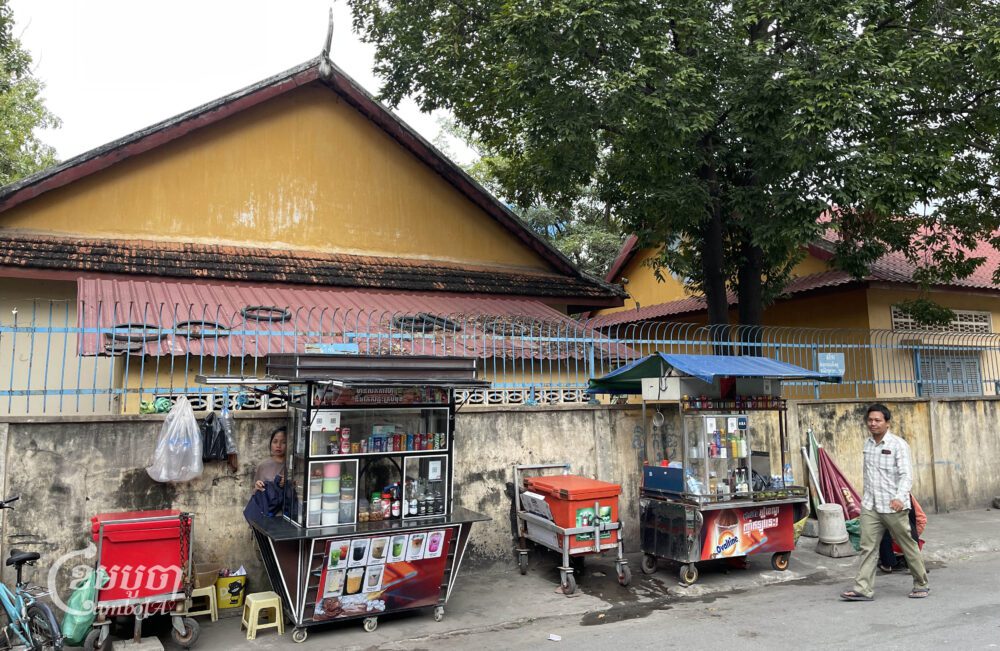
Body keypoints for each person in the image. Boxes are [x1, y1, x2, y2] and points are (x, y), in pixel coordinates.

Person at [841, 404, 930, 600]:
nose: (873, 424)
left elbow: (906, 475)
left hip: (893, 506)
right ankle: (863, 589)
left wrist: (900, 497)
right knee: (868, 547)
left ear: (887, 423)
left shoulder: (898, 445)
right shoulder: (868, 444)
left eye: (878, 420)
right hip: (871, 505)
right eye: (870, 420)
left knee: (908, 545)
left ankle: (921, 584)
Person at [879, 495, 927, 573]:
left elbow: (921, 520)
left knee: (881, 526)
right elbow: (921, 520)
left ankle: (887, 564)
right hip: (904, 539)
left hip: (898, 541)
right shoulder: (906, 496)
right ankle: (915, 565)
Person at [254, 426, 287, 493]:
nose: (278, 445)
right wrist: (257, 486)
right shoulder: (263, 466)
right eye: (275, 442)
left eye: (283, 442)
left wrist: (289, 483)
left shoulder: (296, 464)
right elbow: (255, 492)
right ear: (270, 444)